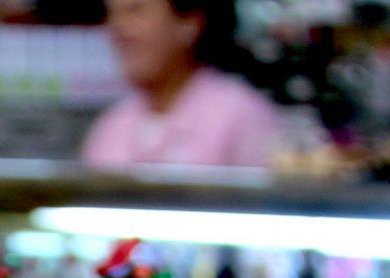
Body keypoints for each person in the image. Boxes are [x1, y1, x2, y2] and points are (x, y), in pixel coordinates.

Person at [82, 0, 281, 171]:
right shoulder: (113, 124)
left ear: (189, 24)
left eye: (136, 11)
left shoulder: (240, 116)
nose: (118, 29)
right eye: (113, 14)